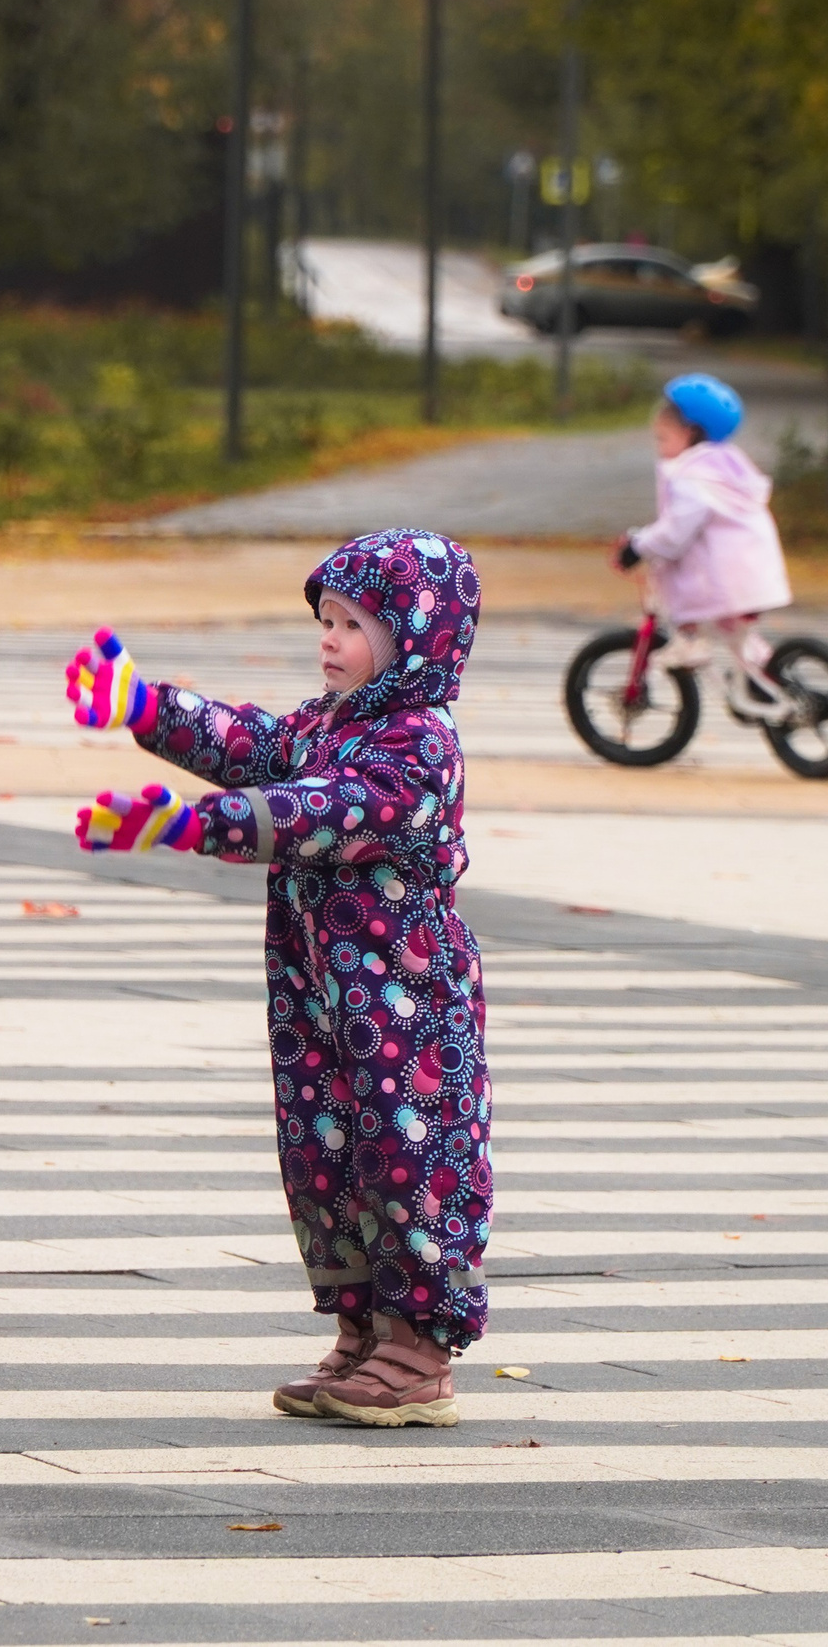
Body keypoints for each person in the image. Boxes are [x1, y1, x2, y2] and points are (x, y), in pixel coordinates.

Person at [61, 530, 491, 1428]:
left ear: (415, 635)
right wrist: (145, 705)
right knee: (323, 1149)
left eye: (353, 624)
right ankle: (364, 1325)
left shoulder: (418, 745)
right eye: (325, 621)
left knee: (407, 1158)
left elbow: (320, 811)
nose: (329, 640)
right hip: (317, 996)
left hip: (403, 1006)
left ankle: (420, 1346)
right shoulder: (331, 723)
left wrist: (194, 825)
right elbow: (254, 744)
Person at [614, 372, 794, 719]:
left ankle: (690, 643)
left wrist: (638, 547)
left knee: (691, 609)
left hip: (725, 580)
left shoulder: (693, 479)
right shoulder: (724, 469)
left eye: (663, 439)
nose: (660, 450)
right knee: (736, 633)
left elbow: (675, 532)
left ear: (690, 433)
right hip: (753, 575)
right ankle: (761, 678)